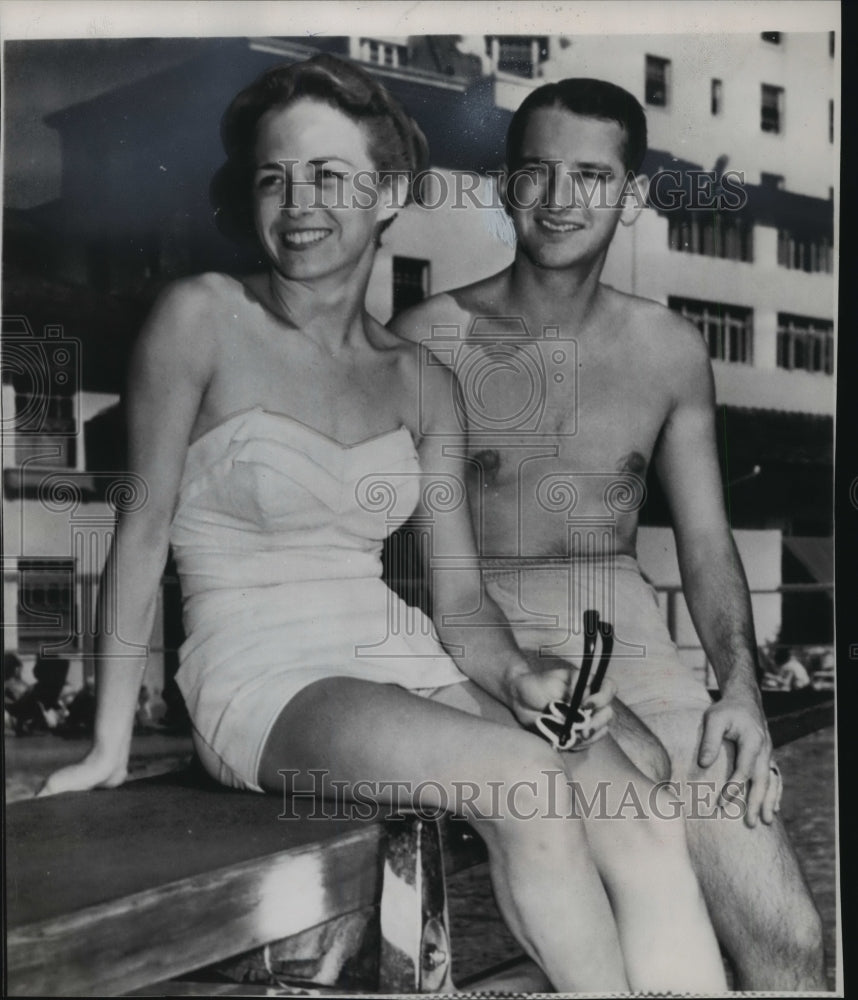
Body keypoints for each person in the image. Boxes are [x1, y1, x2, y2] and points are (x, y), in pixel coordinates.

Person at [40, 56, 726, 992]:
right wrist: (109, 743)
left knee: (635, 809)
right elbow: (141, 529)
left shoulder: (419, 379)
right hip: (263, 669)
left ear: (389, 190)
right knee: (525, 784)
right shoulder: (202, 317)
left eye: (329, 176)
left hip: (399, 648)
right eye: (275, 177)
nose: (298, 203)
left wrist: (525, 674)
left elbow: (461, 605)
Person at [391, 77, 825, 990]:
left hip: (633, 637)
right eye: (538, 172)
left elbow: (706, 548)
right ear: (507, 185)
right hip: (485, 630)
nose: (559, 200)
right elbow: (405, 558)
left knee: (787, 940)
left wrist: (740, 693)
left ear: (629, 197)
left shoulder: (669, 349)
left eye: (590, 176)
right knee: (641, 878)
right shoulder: (429, 336)